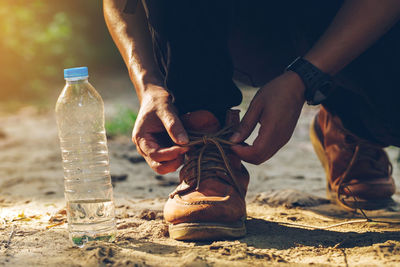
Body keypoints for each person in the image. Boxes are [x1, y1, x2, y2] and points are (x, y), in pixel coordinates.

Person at [104, 0, 400, 240]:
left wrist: (306, 77)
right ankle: (206, 128)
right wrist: (149, 85)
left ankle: (350, 117)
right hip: (232, 23)